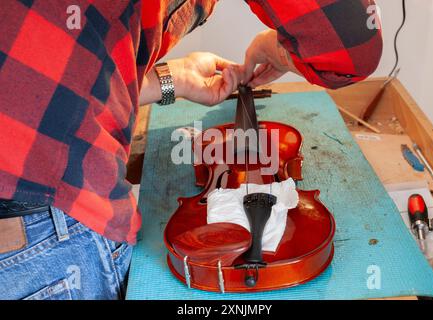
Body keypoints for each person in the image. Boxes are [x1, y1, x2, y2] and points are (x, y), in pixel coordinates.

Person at [0, 0, 382, 299]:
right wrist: (277, 47)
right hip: (38, 223)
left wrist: (171, 79)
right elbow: (351, 51)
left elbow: (57, 62)